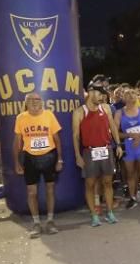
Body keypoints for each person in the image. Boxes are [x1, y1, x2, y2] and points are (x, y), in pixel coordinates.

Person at [13, 93, 63, 237]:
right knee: (31, 192)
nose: (34, 102)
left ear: (42, 102)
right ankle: (36, 223)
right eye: (31, 100)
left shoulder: (49, 115)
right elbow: (18, 141)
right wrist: (17, 162)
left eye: (37, 100)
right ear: (26, 103)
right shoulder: (21, 118)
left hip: (49, 156)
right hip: (30, 158)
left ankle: (50, 221)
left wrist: (60, 159)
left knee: (50, 189)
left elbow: (57, 139)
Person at [73, 84, 122, 227]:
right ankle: (94, 215)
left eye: (103, 95)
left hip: (106, 149)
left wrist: (118, 144)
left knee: (107, 182)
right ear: (90, 93)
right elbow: (75, 135)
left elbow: (112, 126)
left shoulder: (105, 108)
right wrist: (78, 155)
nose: (102, 97)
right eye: (99, 94)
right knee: (90, 184)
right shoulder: (79, 112)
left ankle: (110, 212)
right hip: (89, 151)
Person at [116, 87, 140, 210]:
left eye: (133, 93)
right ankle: (132, 197)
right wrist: (129, 135)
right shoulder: (119, 113)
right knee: (131, 174)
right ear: (123, 98)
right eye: (128, 93)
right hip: (128, 146)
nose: (131, 95)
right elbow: (115, 132)